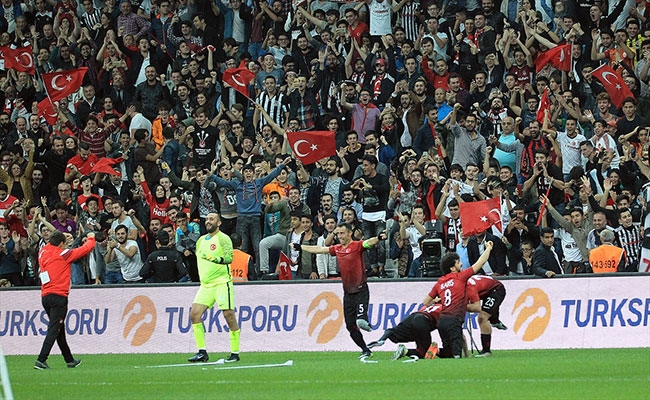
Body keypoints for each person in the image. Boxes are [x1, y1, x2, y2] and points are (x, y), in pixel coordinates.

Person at [292, 223, 387, 359]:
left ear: (349, 233)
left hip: (361, 291)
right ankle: (365, 349)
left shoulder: (357, 246)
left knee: (360, 321)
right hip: (348, 294)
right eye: (338, 234)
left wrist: (378, 237)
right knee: (350, 327)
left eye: (342, 233)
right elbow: (319, 249)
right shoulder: (337, 249)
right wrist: (300, 247)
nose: (339, 236)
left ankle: (369, 326)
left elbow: (369, 243)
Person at [34, 231, 96, 370]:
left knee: (59, 330)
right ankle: (41, 360)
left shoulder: (43, 251)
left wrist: (68, 237)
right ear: (61, 244)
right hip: (59, 296)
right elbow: (85, 249)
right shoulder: (63, 254)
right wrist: (91, 237)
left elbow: (55, 244)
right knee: (54, 329)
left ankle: (69, 360)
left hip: (45, 295)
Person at [422, 241, 494, 359]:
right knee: (456, 356)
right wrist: (488, 248)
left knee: (448, 354)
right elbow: (481, 262)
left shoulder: (440, 281)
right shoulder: (461, 277)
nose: (461, 264)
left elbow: (426, 302)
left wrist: (439, 301)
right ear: (452, 268)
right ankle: (436, 351)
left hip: (442, 321)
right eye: (458, 262)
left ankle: (434, 350)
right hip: (454, 320)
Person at [187, 213, 241, 363]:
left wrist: (215, 259)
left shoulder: (223, 238)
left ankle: (234, 353)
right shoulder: (201, 240)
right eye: (207, 219)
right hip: (205, 285)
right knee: (194, 315)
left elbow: (230, 257)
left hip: (221, 283)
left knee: (228, 315)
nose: (208, 221)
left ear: (219, 223)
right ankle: (202, 352)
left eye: (212, 219)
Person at [368, 303, 442, 361]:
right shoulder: (445, 308)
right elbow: (444, 324)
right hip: (423, 321)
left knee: (393, 332)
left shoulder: (431, 305)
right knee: (423, 352)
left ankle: (381, 340)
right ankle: (405, 351)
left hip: (412, 317)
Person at [466, 275, 507, 357]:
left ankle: (486, 351)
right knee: (487, 312)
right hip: (485, 290)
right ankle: (494, 320)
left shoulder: (470, 287)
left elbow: (476, 307)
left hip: (496, 289)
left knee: (482, 317)